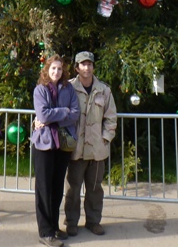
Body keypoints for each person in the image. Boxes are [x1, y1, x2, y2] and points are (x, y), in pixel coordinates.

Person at [64, 51, 117, 237]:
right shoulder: (68, 88)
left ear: (93, 67)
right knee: (73, 188)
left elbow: (111, 118)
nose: (86, 68)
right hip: (76, 149)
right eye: (83, 64)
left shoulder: (104, 90)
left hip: (97, 150)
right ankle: (71, 222)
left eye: (89, 64)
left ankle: (93, 221)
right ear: (77, 67)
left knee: (95, 188)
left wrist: (105, 138)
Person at [32, 54, 80, 247]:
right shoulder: (40, 90)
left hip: (62, 145)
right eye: (53, 68)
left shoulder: (69, 89)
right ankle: (45, 232)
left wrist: (57, 114)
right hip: (44, 144)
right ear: (47, 69)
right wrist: (64, 112)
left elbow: (75, 114)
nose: (56, 72)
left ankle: (54, 226)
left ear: (63, 71)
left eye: (59, 69)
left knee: (57, 187)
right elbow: (42, 113)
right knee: (44, 188)